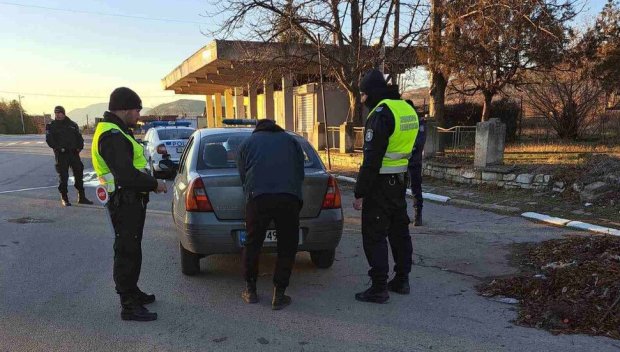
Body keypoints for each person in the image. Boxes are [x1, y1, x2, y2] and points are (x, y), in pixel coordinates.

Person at [91, 87, 167, 321]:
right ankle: (128, 304)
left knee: (132, 248)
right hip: (124, 201)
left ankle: (133, 291)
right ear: (124, 109)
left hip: (129, 200)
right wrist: (154, 184)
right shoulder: (112, 135)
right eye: (136, 109)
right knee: (126, 251)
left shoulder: (118, 131)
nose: (138, 114)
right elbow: (125, 175)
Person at [353, 69, 419, 303]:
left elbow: (371, 161)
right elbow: (415, 148)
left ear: (370, 93)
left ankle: (379, 287)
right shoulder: (407, 109)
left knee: (374, 235)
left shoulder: (380, 114)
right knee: (399, 232)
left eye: (362, 95)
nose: (362, 100)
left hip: (380, 185)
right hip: (400, 182)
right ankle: (402, 279)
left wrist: (360, 192)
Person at [236, 119, 305, 310]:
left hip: (258, 199)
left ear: (257, 129)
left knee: (252, 244)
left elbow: (243, 175)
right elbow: (300, 171)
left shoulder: (247, 144)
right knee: (287, 246)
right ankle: (279, 294)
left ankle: (250, 291)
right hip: (288, 198)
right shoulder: (291, 141)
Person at [45, 106, 92, 206]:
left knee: (79, 174)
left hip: (74, 153)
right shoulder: (51, 126)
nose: (57, 114)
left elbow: (79, 138)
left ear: (64, 113)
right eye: (56, 113)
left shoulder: (72, 124)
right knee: (63, 176)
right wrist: (58, 148)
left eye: (59, 112)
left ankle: (82, 196)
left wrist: (80, 147)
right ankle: (64, 197)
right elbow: (50, 140)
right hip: (61, 154)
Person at [406, 101, 427, 226]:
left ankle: (417, 214)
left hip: (414, 161)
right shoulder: (404, 122)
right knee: (399, 189)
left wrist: (409, 149)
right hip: (402, 161)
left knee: (415, 188)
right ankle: (402, 215)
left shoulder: (420, 123)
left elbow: (419, 142)